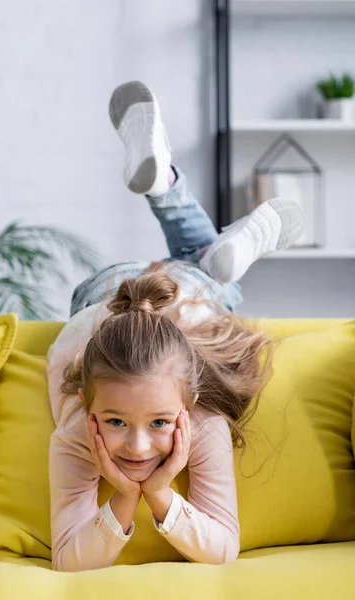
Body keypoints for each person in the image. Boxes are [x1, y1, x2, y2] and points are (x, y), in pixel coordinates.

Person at [47, 81, 303, 572]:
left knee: (214, 282)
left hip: (134, 295)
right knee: (208, 274)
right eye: (116, 421)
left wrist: (159, 494)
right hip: (152, 293)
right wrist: (126, 496)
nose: (138, 447)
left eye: (160, 423)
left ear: (189, 403)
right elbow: (67, 561)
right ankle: (176, 201)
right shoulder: (78, 429)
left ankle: (192, 223)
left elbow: (223, 547)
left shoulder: (201, 420)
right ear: (86, 400)